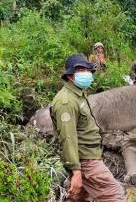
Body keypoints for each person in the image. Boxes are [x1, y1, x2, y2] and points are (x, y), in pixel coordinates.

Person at [50, 53, 126, 202]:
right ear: (70, 75)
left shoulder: (78, 94)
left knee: (80, 197)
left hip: (88, 156)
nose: (86, 73)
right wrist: (76, 172)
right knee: (115, 195)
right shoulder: (66, 102)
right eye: (80, 70)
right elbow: (68, 137)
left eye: (87, 70)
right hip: (86, 161)